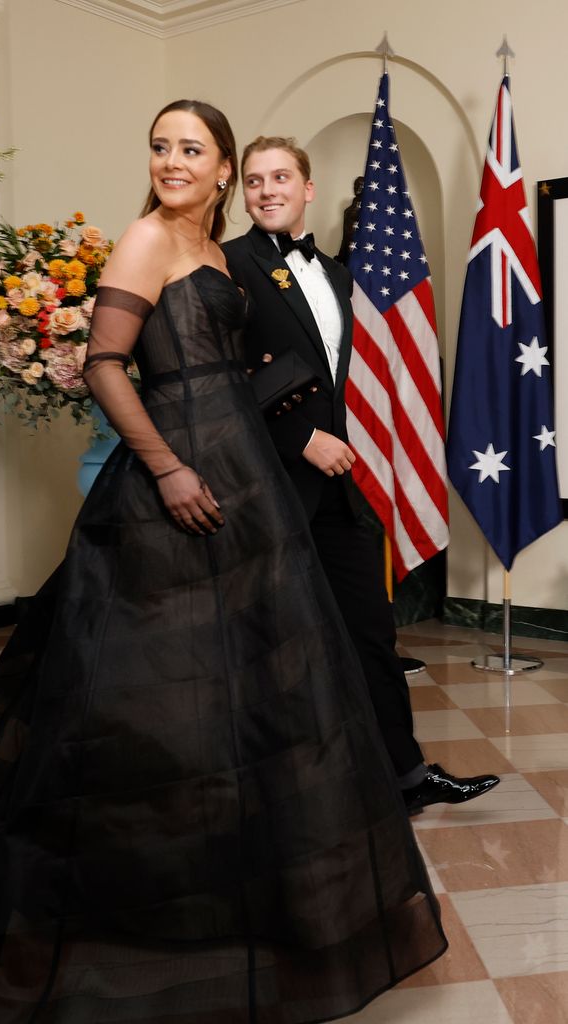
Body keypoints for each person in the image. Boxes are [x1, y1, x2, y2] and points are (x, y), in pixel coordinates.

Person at [0, 103, 446, 1024]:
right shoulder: (144, 238)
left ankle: (237, 896)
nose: (173, 161)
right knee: (144, 699)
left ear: (222, 171)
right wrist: (169, 465)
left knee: (248, 694)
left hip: (245, 482)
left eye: (193, 149)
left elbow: (244, 367)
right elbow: (106, 364)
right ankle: (126, 895)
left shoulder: (220, 253)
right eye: (160, 146)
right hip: (173, 481)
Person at [223, 136, 500, 815]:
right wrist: (297, 437)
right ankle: (270, 793)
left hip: (344, 486)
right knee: (267, 645)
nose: (267, 190)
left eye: (281, 177)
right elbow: (213, 378)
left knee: (371, 634)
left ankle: (405, 778)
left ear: (307, 188)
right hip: (271, 485)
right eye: (255, 181)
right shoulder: (226, 265)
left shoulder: (343, 276)